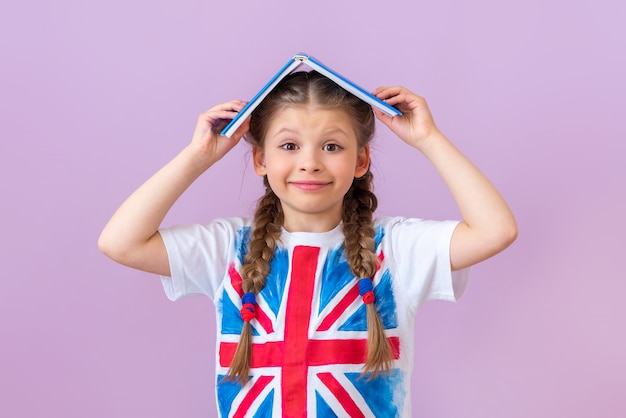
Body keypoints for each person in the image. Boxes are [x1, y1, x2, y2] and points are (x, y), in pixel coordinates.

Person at [98, 70, 517, 417]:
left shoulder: (396, 248)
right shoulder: (227, 248)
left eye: (332, 146)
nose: (310, 161)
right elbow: (121, 242)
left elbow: (495, 230)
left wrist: (429, 139)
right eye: (288, 145)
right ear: (260, 159)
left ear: (361, 160)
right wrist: (197, 156)